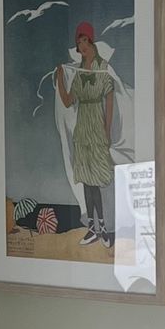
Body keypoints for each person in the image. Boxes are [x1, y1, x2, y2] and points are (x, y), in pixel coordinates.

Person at [56, 20, 117, 246]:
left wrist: (107, 129)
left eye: (83, 40)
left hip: (97, 127)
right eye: (78, 41)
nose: (81, 45)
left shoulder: (103, 67)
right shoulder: (79, 73)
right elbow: (68, 100)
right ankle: (93, 228)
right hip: (82, 128)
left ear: (90, 40)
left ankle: (104, 227)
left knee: (98, 181)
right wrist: (60, 78)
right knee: (87, 183)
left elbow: (109, 99)